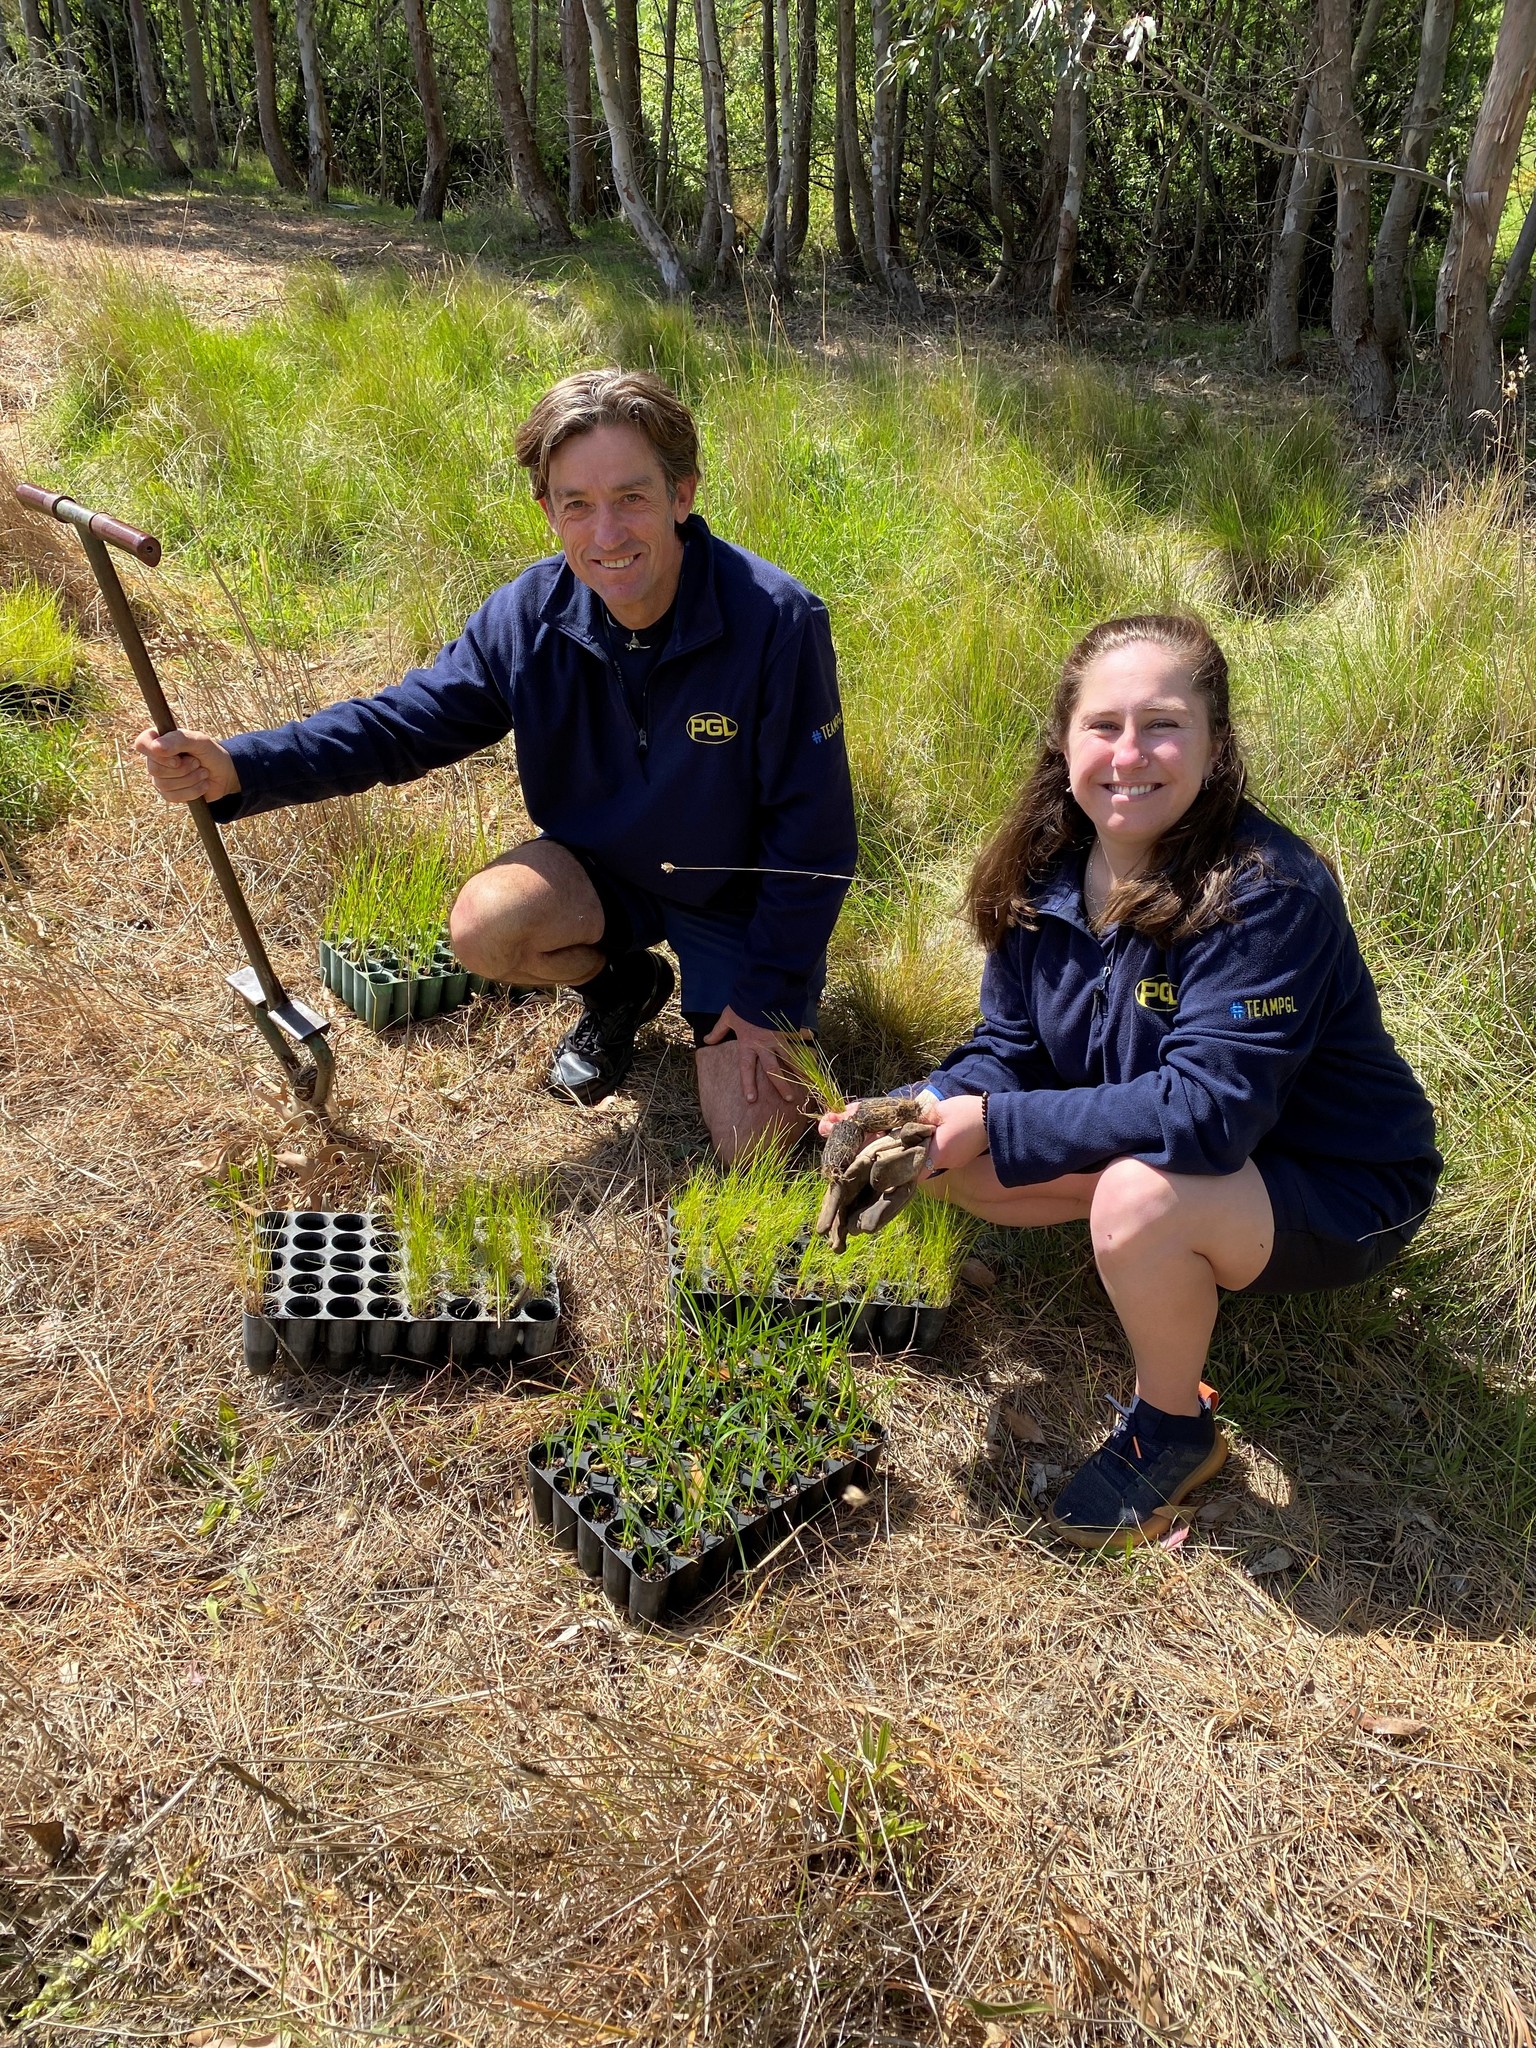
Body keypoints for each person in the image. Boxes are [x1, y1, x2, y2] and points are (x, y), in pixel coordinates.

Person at [821, 613, 1441, 1550]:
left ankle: (1174, 1428)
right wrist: (931, 1109)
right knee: (959, 1163)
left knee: (1136, 1199)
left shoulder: (1266, 892)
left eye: (1163, 725)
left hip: (1339, 1180)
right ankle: (1163, 1260)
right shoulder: (1046, 871)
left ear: (1215, 745)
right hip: (1205, 1162)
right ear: (1065, 742)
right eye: (1103, 726)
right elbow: (1009, 1049)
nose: (1130, 753)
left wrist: (1005, 1122)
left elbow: (1208, 1118)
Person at [133, 369, 856, 1159]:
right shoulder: (528, 617)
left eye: (632, 498)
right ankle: (621, 987)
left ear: (683, 494)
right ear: (547, 510)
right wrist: (239, 765)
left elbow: (814, 842)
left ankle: (730, 1010)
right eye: (577, 503)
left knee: (755, 1148)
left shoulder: (776, 622)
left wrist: (764, 999)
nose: (606, 533)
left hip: (736, 904)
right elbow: (399, 727)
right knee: (484, 927)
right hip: (606, 873)